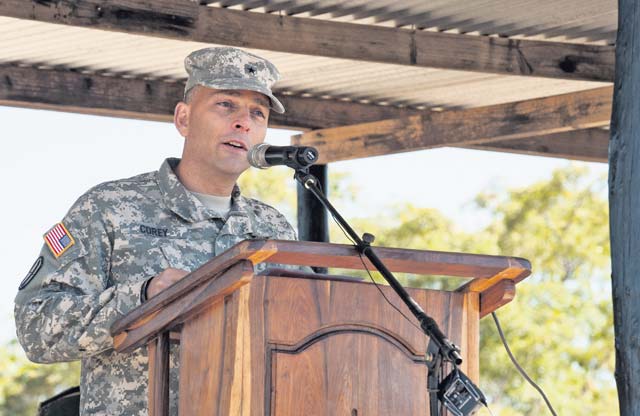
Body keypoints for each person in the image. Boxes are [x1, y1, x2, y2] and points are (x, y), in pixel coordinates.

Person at [14, 47, 298, 415]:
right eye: (226, 105)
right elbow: (37, 329)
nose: (244, 122)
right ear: (184, 118)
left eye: (257, 113)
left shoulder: (272, 228)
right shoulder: (108, 207)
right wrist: (143, 296)